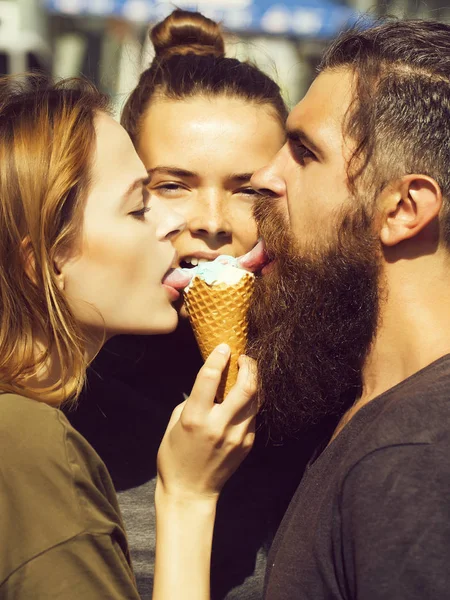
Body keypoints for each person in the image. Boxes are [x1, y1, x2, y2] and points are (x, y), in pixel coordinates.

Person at [69, 10, 313, 600]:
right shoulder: (62, 390)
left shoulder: (330, 381)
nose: (210, 223)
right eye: (170, 185)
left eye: (248, 189)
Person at [0, 73, 257, 598]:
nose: (176, 225)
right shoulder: (27, 441)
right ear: (46, 261)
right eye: (141, 205)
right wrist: (187, 496)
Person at [240, 16, 450, 599]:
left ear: (404, 208)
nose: (263, 176)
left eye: (305, 153)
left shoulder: (418, 460)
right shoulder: (362, 408)